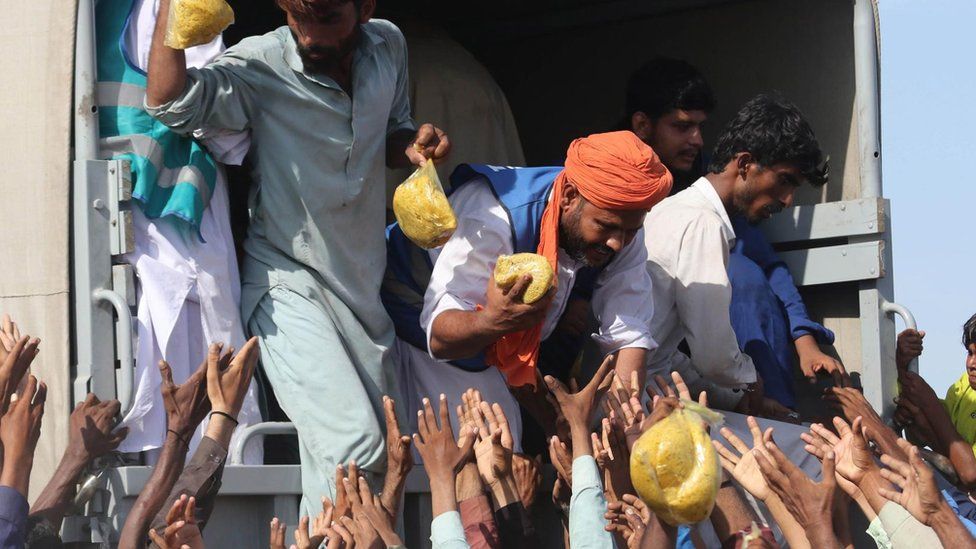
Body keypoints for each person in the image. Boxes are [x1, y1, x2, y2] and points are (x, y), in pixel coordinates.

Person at [144, 0, 450, 516]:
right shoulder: (259, 63)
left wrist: (415, 146)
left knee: (369, 464)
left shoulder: (389, 46)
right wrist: (172, 16)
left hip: (360, 296)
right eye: (295, 18)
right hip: (285, 289)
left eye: (326, 19)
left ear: (365, 9)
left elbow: (394, 128)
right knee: (355, 446)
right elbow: (169, 102)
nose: (308, 36)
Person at [383, 131, 672, 451]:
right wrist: (494, 322)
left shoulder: (621, 224)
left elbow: (628, 335)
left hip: (492, 342)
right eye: (605, 226)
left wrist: (626, 429)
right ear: (570, 197)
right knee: (483, 462)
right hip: (416, 327)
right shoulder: (495, 217)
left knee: (515, 454)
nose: (617, 242)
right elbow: (439, 335)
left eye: (630, 231)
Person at [625, 59, 842, 410]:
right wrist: (751, 381)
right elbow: (712, 356)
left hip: (645, 396)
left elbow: (662, 359)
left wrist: (736, 399)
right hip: (632, 410)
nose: (787, 201)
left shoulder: (677, 210)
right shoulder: (701, 224)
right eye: (784, 181)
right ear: (744, 165)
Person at [895, 315, 976, 490]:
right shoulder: (964, 388)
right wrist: (903, 365)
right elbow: (923, 435)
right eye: (970, 353)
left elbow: (970, 475)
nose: (972, 364)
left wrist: (928, 402)